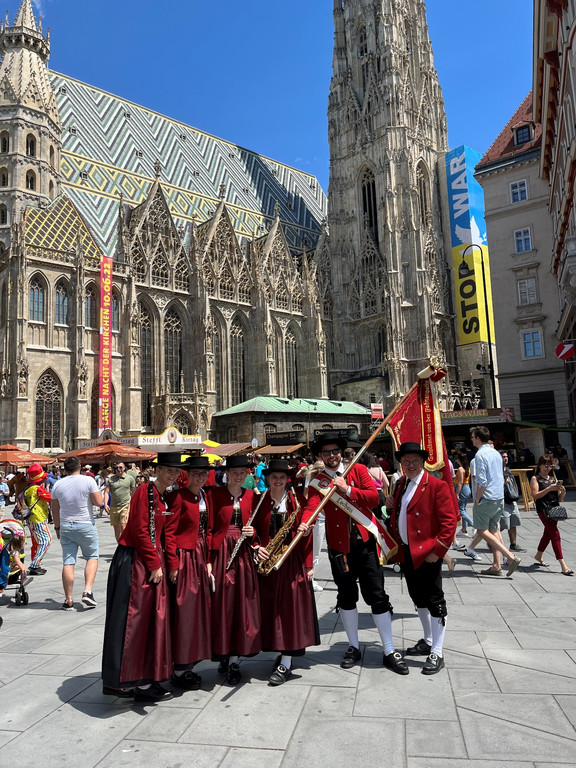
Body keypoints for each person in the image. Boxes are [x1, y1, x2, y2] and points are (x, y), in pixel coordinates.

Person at [302, 434, 407, 675]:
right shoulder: (317, 481)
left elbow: (374, 498)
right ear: (320, 456)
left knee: (377, 595)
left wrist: (348, 489)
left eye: (335, 451)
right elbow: (311, 507)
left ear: (341, 452)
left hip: (366, 544)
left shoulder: (357, 470)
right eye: (326, 452)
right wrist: (305, 523)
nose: (331, 455)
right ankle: (353, 646)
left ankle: (389, 650)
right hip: (340, 549)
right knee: (346, 597)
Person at [101, 452, 182, 701]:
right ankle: (130, 680)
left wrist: (168, 562)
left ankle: (143, 676)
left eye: (176, 471)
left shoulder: (163, 495)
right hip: (135, 561)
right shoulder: (145, 492)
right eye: (168, 470)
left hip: (148, 559)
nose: (173, 475)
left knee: (147, 619)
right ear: (158, 470)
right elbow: (138, 530)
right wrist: (154, 563)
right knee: (132, 620)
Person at [385, 442, 458, 674]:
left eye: (415, 461)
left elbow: (449, 523)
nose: (410, 465)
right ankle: (428, 640)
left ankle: (437, 651)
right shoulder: (401, 484)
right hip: (406, 551)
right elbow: (399, 514)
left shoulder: (436, 486)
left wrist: (438, 552)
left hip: (427, 553)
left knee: (435, 600)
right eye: (406, 461)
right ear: (401, 463)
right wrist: (390, 506)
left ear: (423, 462)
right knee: (418, 597)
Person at [254, 459, 319, 685]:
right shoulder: (260, 501)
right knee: (271, 611)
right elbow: (254, 530)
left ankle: (287, 662)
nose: (278, 480)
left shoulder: (297, 501)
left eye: (282, 477)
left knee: (290, 611)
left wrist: (309, 565)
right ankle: (279, 652)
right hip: (269, 564)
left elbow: (308, 534)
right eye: (274, 477)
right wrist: (257, 547)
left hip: (291, 562)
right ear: (268, 479)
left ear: (287, 479)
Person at [207, 454, 261, 686]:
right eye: (234, 472)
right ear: (226, 474)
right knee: (223, 604)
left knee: (242, 603)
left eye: (242, 473)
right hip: (222, 553)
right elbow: (209, 528)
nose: (239, 476)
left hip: (243, 554)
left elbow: (258, 526)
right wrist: (209, 559)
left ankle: (235, 659)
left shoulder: (252, 496)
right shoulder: (214, 495)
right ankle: (223, 651)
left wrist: (253, 534)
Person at [166, 456, 212, 690]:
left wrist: (209, 559)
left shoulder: (204, 495)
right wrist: (174, 563)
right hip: (185, 556)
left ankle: (190, 663)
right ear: (187, 476)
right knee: (184, 610)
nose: (200, 477)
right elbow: (170, 532)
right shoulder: (178, 496)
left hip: (200, 555)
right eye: (196, 474)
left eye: (203, 474)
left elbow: (208, 530)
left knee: (197, 610)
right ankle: (180, 667)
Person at [468, 427, 521, 578]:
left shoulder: (480, 455)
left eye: (472, 437)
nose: (471, 439)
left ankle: (509, 556)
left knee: (481, 530)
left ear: (478, 438)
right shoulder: (496, 453)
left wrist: (477, 498)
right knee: (493, 530)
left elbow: (481, 481)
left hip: (486, 497)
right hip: (498, 497)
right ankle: (496, 565)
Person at [51, 457, 102, 610]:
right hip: (85, 524)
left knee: (68, 562)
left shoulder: (58, 484)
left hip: (66, 526)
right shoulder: (88, 481)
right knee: (92, 556)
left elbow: (55, 510)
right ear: (80, 466)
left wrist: (57, 528)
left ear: (65, 469)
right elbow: (99, 502)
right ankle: (87, 591)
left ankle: (68, 600)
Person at [530, 456, 573, 575]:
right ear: (540, 465)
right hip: (543, 510)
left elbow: (559, 497)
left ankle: (538, 555)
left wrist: (562, 491)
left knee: (548, 533)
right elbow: (535, 495)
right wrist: (549, 488)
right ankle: (563, 565)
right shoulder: (535, 478)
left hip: (554, 510)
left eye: (550, 466)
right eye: (546, 465)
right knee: (555, 534)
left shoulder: (553, 479)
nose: (548, 468)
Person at [19, 464, 52, 576]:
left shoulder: (28, 489)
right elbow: (50, 497)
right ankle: (34, 565)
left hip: (30, 519)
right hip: (38, 518)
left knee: (36, 542)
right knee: (46, 541)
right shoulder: (37, 489)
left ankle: (36, 565)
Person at [105, 462, 136, 542]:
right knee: (116, 528)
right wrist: (105, 504)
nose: (118, 469)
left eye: (120, 467)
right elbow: (106, 492)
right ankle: (120, 545)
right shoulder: (111, 479)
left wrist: (132, 504)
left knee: (123, 526)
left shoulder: (130, 478)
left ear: (124, 468)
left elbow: (134, 492)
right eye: (116, 468)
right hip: (113, 506)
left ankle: (125, 545)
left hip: (125, 505)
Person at [500, 451, 524, 552]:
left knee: (513, 522)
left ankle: (513, 544)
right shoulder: (496, 470)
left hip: (512, 499)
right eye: (503, 457)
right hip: (503, 500)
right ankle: (491, 538)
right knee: (503, 524)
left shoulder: (508, 469)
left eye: (506, 456)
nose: (505, 458)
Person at [453, 453, 474, 540]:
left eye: (457, 458)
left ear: (459, 460)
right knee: (463, 509)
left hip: (462, 489)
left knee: (460, 510)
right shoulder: (467, 468)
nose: (456, 460)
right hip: (467, 488)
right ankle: (464, 529)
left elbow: (460, 482)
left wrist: (457, 493)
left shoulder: (460, 469)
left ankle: (473, 524)